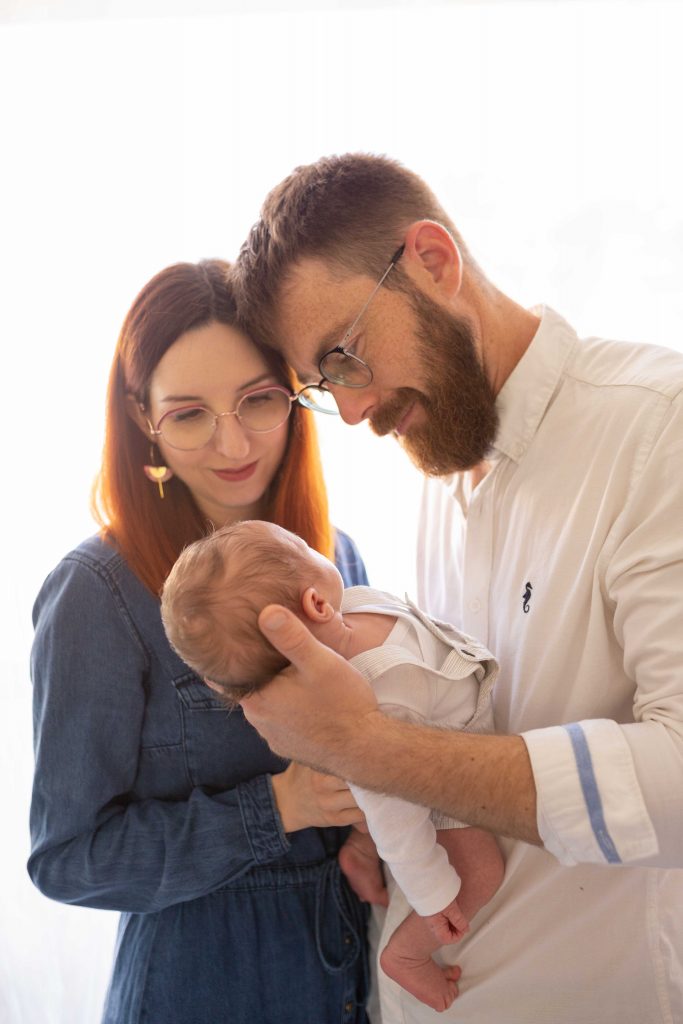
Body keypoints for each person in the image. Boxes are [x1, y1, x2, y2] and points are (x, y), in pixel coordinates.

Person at [230, 153, 683, 1023]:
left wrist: (366, 748)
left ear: (433, 260)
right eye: (325, 387)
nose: (353, 413)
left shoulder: (655, 432)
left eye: (344, 355)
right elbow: (463, 731)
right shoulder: (441, 472)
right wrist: (385, 820)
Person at [28, 259, 374, 1024]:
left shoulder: (335, 555)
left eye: (257, 401)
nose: (232, 443)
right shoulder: (99, 592)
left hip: (347, 968)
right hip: (200, 984)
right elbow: (67, 861)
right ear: (141, 417)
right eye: (188, 414)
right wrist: (278, 805)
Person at [160, 519, 504, 1013]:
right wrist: (432, 895)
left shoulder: (357, 605)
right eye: (303, 546)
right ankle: (407, 954)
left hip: (435, 737)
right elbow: (397, 821)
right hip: (440, 786)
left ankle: (358, 853)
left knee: (365, 814)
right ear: (316, 604)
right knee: (483, 869)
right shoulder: (379, 695)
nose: (318, 545)